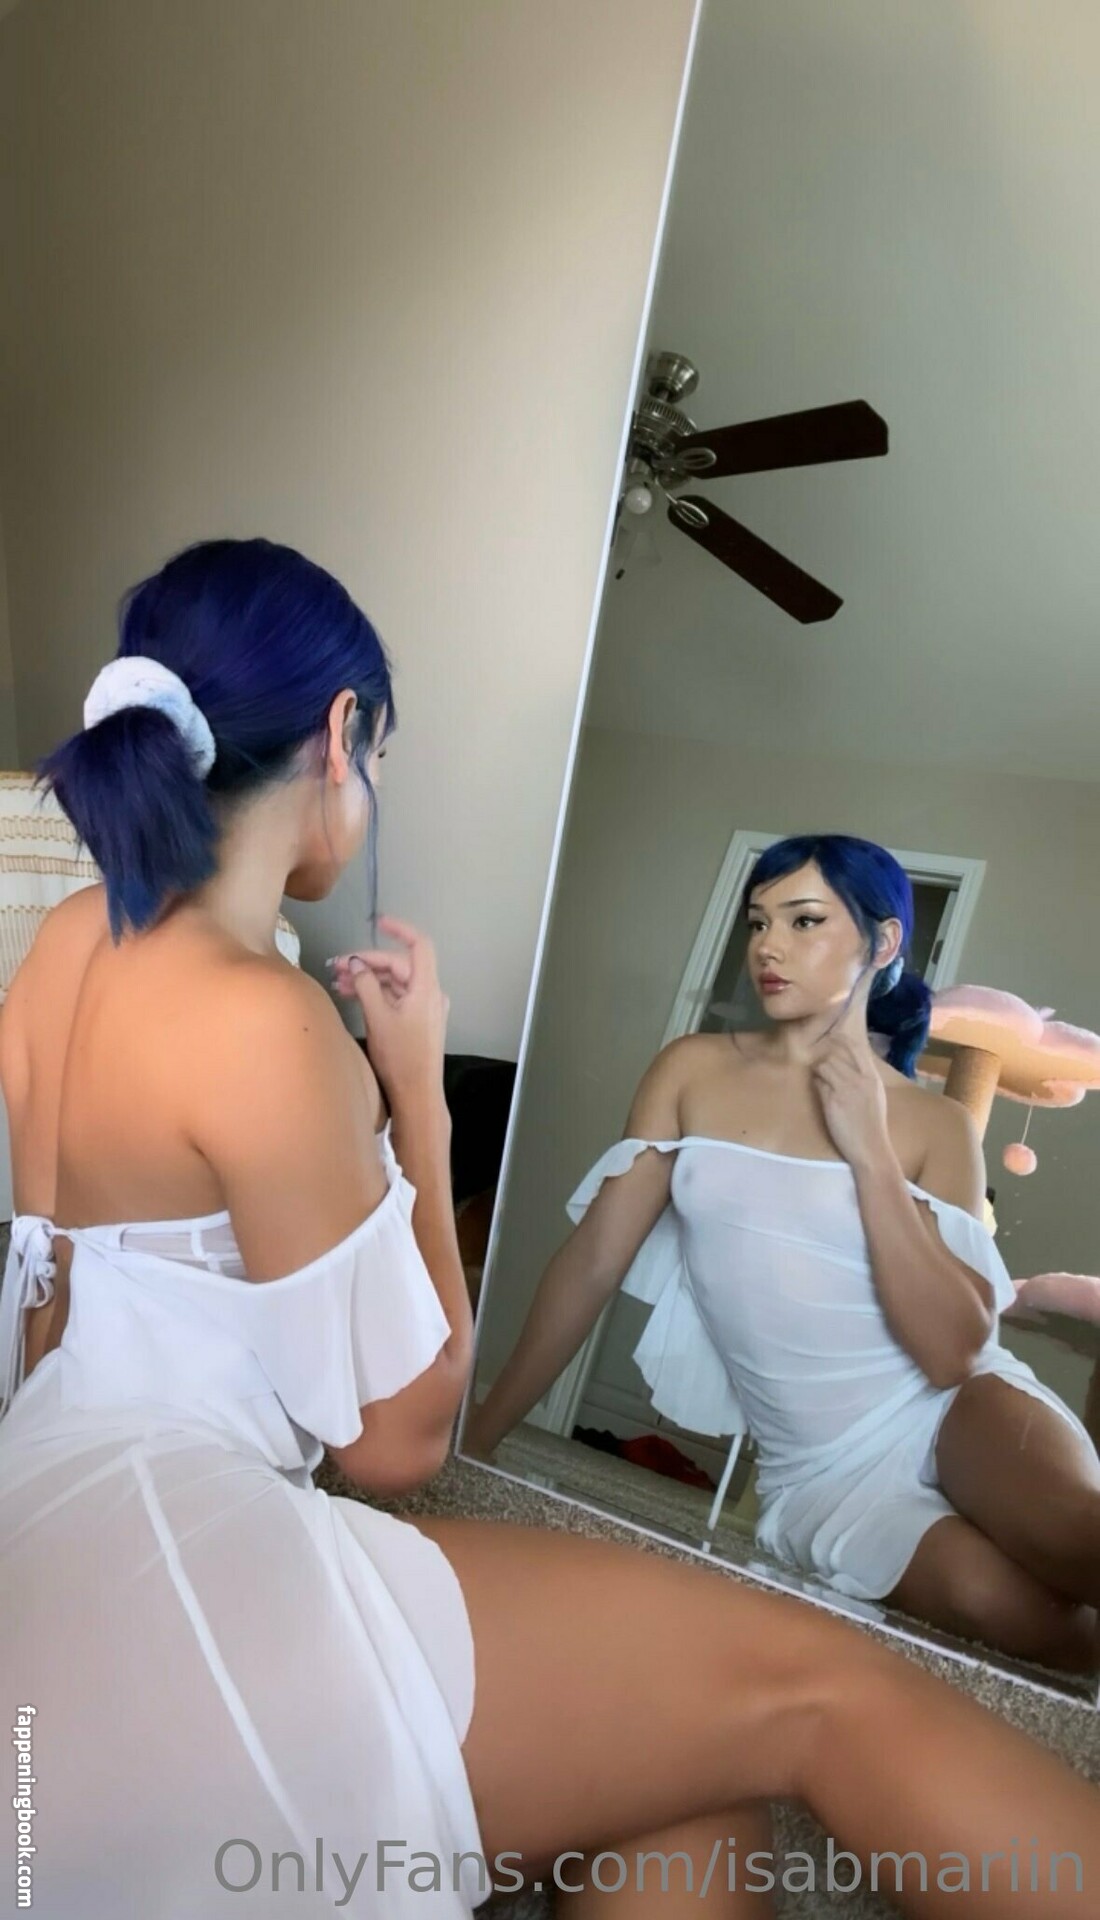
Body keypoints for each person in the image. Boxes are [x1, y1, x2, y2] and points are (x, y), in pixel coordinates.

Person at [0, 545, 1097, 1920]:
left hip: (43, 1505)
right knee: (828, 1686)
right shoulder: (262, 1016)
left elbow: (55, 1292)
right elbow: (394, 1447)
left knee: (688, 1799)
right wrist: (416, 1097)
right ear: (340, 733)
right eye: (379, 756)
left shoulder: (66, 945)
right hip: (182, 1545)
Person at [466, 835, 1100, 1675]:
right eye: (758, 921)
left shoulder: (936, 1125)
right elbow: (591, 1264)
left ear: (882, 943)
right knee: (1028, 1620)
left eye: (804, 921)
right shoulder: (691, 1070)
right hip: (819, 1469)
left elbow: (953, 1353)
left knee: (1078, 1544)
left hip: (954, 1406)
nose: (768, 945)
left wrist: (870, 1152)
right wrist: (481, 1432)